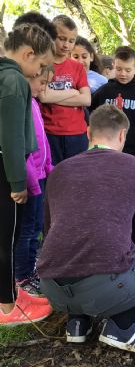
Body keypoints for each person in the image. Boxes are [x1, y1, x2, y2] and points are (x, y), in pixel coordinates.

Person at [37, 104, 135, 353]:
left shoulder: (60, 170)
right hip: (108, 287)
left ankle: (77, 322)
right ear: (122, 135)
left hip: (52, 288)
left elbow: (50, 232)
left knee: (73, 246)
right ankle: (123, 325)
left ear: (88, 132)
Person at [0, 23, 54, 326]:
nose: (39, 73)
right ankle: (7, 307)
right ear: (28, 54)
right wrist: (18, 182)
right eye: (41, 66)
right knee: (6, 240)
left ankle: (12, 293)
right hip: (8, 173)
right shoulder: (14, 80)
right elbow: (11, 138)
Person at [14, 65, 54, 298]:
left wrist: (49, 167)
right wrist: (32, 182)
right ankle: (22, 277)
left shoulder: (34, 103)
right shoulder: (19, 106)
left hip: (41, 177)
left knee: (37, 226)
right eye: (42, 83)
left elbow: (43, 140)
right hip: (31, 182)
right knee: (27, 230)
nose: (44, 88)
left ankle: (31, 268)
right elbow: (22, 150)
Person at [38, 15, 91, 165]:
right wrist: (74, 92)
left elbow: (86, 99)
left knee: (76, 175)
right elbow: (43, 97)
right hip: (50, 132)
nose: (66, 45)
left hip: (77, 133)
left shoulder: (77, 67)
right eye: (61, 39)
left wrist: (53, 95)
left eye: (71, 41)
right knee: (53, 175)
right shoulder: (42, 63)